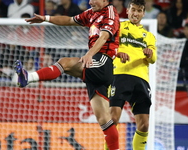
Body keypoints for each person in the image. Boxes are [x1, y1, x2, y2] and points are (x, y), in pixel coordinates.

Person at [14, 0, 120, 149]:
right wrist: (46, 18)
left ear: (105, 0)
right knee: (104, 120)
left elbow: (103, 37)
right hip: (95, 66)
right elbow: (70, 20)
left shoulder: (110, 12)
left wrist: (89, 54)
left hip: (102, 61)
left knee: (66, 63)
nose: (90, 2)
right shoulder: (91, 13)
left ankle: (28, 77)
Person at [105, 0, 157, 149]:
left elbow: (153, 58)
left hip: (141, 79)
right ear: (127, 11)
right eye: (133, 9)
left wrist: (149, 54)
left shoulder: (149, 36)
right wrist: (118, 53)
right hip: (120, 76)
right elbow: (107, 47)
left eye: (139, 11)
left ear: (143, 13)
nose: (136, 13)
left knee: (144, 125)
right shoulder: (118, 27)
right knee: (113, 119)